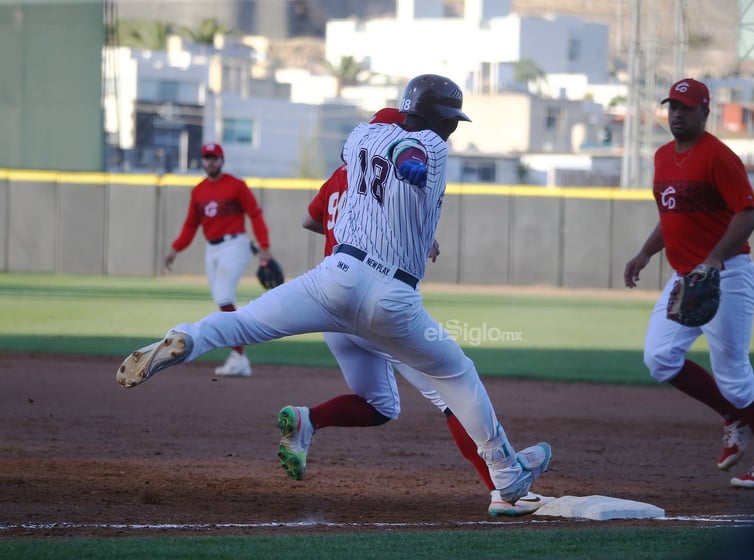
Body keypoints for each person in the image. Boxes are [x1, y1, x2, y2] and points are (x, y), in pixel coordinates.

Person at [116, 74, 552, 506]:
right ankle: (507, 474)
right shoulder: (434, 147)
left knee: (244, 322)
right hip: (390, 296)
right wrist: (408, 164)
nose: (453, 126)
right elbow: (410, 151)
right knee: (457, 377)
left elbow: (384, 143)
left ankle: (188, 337)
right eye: (451, 119)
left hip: (336, 275)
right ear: (442, 119)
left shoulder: (362, 133)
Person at [289, 108, 551, 517]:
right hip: (374, 308)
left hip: (333, 307)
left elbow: (309, 220)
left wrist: (347, 234)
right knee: (451, 394)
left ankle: (309, 420)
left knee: (380, 406)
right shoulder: (393, 171)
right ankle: (503, 488)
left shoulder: (341, 179)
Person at [623, 78, 754, 489]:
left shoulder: (718, 156)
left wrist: (715, 258)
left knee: (734, 373)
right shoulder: (663, 156)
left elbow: (749, 213)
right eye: (672, 107)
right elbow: (672, 216)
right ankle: (732, 415)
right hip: (686, 277)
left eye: (685, 107)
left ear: (705, 112)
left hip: (728, 275)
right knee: (660, 356)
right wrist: (646, 253)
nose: (677, 114)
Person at [163, 142, 274, 377]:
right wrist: (175, 248)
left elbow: (255, 215)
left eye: (214, 158)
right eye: (206, 158)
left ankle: (239, 356)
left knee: (224, 296)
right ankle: (239, 354)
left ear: (222, 161)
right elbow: (191, 224)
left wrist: (264, 247)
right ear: (202, 161)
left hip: (236, 244)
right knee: (222, 300)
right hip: (211, 248)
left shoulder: (236, 186)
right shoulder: (199, 191)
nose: (210, 162)